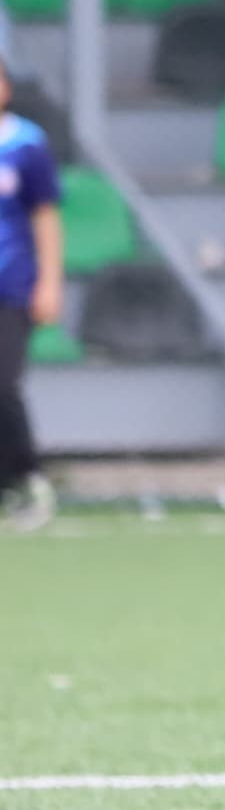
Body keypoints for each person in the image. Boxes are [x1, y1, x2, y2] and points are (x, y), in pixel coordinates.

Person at [0, 48, 58, 531]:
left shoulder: (25, 144)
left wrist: (50, 281)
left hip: (12, 285)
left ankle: (30, 478)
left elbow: (45, 216)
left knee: (3, 386)